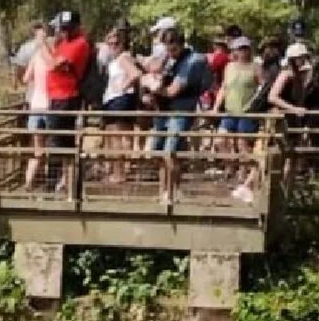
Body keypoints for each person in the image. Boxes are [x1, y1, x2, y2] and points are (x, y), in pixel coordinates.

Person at [146, 30, 210, 203]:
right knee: (157, 152)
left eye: (173, 47)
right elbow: (152, 69)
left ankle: (172, 191)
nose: (170, 51)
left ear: (181, 44)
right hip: (163, 111)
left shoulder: (192, 61)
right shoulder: (168, 59)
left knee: (170, 151)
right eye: (167, 47)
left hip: (180, 111)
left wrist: (155, 88)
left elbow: (174, 90)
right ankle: (163, 191)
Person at [39, 10, 92, 195]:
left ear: (78, 27)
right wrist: (52, 39)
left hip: (66, 98)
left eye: (69, 29)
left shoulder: (80, 44)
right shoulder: (64, 42)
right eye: (63, 29)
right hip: (56, 97)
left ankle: (53, 184)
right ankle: (64, 184)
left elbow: (53, 64)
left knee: (57, 142)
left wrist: (41, 44)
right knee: (58, 142)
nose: (66, 32)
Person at [214, 36, 261, 203]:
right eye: (238, 49)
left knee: (243, 145)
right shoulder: (229, 67)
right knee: (220, 140)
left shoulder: (255, 67)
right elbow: (224, 87)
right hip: (230, 110)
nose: (241, 52)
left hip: (246, 112)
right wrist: (215, 107)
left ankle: (244, 177)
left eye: (244, 48)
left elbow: (262, 88)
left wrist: (254, 104)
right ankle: (231, 164)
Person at [100, 26, 143, 182]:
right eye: (110, 42)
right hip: (112, 100)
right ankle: (117, 171)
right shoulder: (115, 59)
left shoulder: (124, 58)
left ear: (122, 42)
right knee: (113, 137)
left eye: (116, 42)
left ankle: (119, 174)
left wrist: (122, 87)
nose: (113, 44)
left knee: (117, 138)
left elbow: (135, 74)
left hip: (119, 100)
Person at [22, 23, 53, 191]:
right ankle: (47, 180)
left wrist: (36, 80)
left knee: (37, 148)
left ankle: (29, 181)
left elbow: (26, 79)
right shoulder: (52, 57)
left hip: (36, 105)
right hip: (49, 105)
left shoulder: (35, 58)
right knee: (49, 145)